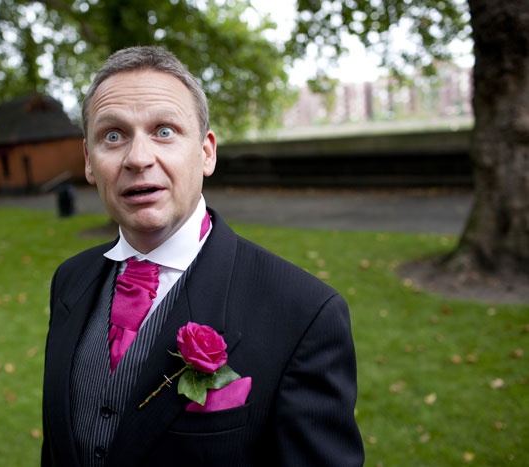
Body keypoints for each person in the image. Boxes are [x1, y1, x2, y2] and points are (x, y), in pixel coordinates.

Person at [41, 46, 364, 466]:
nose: (138, 158)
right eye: (113, 136)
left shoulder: (304, 313)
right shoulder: (70, 280)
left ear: (206, 152)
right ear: (89, 162)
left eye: (164, 131)